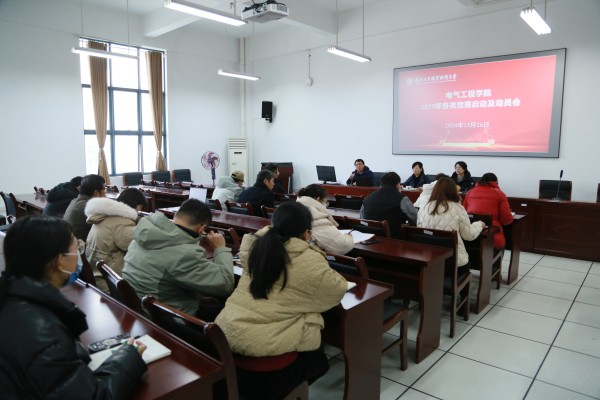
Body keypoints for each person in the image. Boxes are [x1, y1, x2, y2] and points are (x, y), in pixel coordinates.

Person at [0, 216, 147, 398]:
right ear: (59, 261)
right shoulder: (44, 334)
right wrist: (129, 357)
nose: (79, 253)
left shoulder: (12, 297)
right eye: (76, 247)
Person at [215, 202, 348, 399]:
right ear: (306, 233)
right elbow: (337, 290)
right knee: (317, 357)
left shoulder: (254, 245)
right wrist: (313, 250)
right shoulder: (307, 258)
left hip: (228, 336)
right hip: (266, 367)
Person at [122, 199, 234, 320]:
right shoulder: (185, 254)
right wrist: (220, 248)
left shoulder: (143, 234)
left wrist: (199, 298)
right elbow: (226, 285)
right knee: (232, 307)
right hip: (168, 319)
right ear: (202, 229)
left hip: (138, 307)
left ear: (176, 215)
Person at [417, 177, 485, 277]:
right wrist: (479, 224)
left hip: (428, 260)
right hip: (453, 263)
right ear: (453, 191)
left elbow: (419, 231)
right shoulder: (457, 208)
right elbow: (469, 236)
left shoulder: (424, 207)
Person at [85, 188, 148, 293]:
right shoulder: (121, 222)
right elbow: (138, 244)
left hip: (97, 273)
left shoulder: (105, 215)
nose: (138, 212)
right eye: (139, 209)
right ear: (136, 205)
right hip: (110, 284)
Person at [296, 184, 353, 254]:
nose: (326, 204)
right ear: (318, 199)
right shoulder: (317, 218)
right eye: (326, 202)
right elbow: (343, 247)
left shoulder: (294, 208)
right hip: (311, 257)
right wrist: (349, 238)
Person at [463, 172, 514, 250]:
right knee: (502, 244)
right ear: (496, 182)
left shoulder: (470, 192)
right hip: (491, 235)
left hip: (471, 233)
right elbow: (506, 220)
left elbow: (464, 212)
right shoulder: (499, 194)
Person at [361, 172, 418, 237]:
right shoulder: (402, 199)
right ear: (398, 185)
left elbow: (362, 217)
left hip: (370, 237)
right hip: (395, 238)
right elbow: (416, 218)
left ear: (381, 184)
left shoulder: (368, 198)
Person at [63, 174, 106, 241]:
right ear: (96, 192)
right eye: (104, 189)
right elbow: (105, 229)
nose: (105, 193)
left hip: (69, 242)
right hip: (81, 245)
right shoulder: (89, 207)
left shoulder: (74, 201)